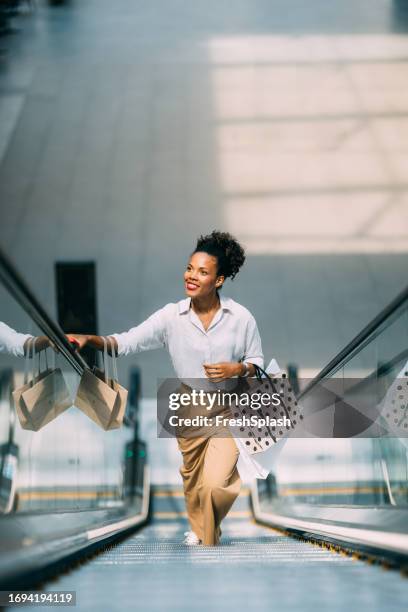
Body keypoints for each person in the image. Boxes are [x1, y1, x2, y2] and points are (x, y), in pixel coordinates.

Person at [67, 230, 265, 546]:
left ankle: (205, 535)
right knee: (193, 477)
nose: (191, 276)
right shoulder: (171, 317)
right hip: (190, 404)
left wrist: (237, 368)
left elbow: (257, 362)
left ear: (219, 280)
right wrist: (92, 339)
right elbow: (127, 342)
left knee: (215, 483)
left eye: (203, 272)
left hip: (230, 405)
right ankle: (205, 535)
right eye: (189, 268)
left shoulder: (241, 318)